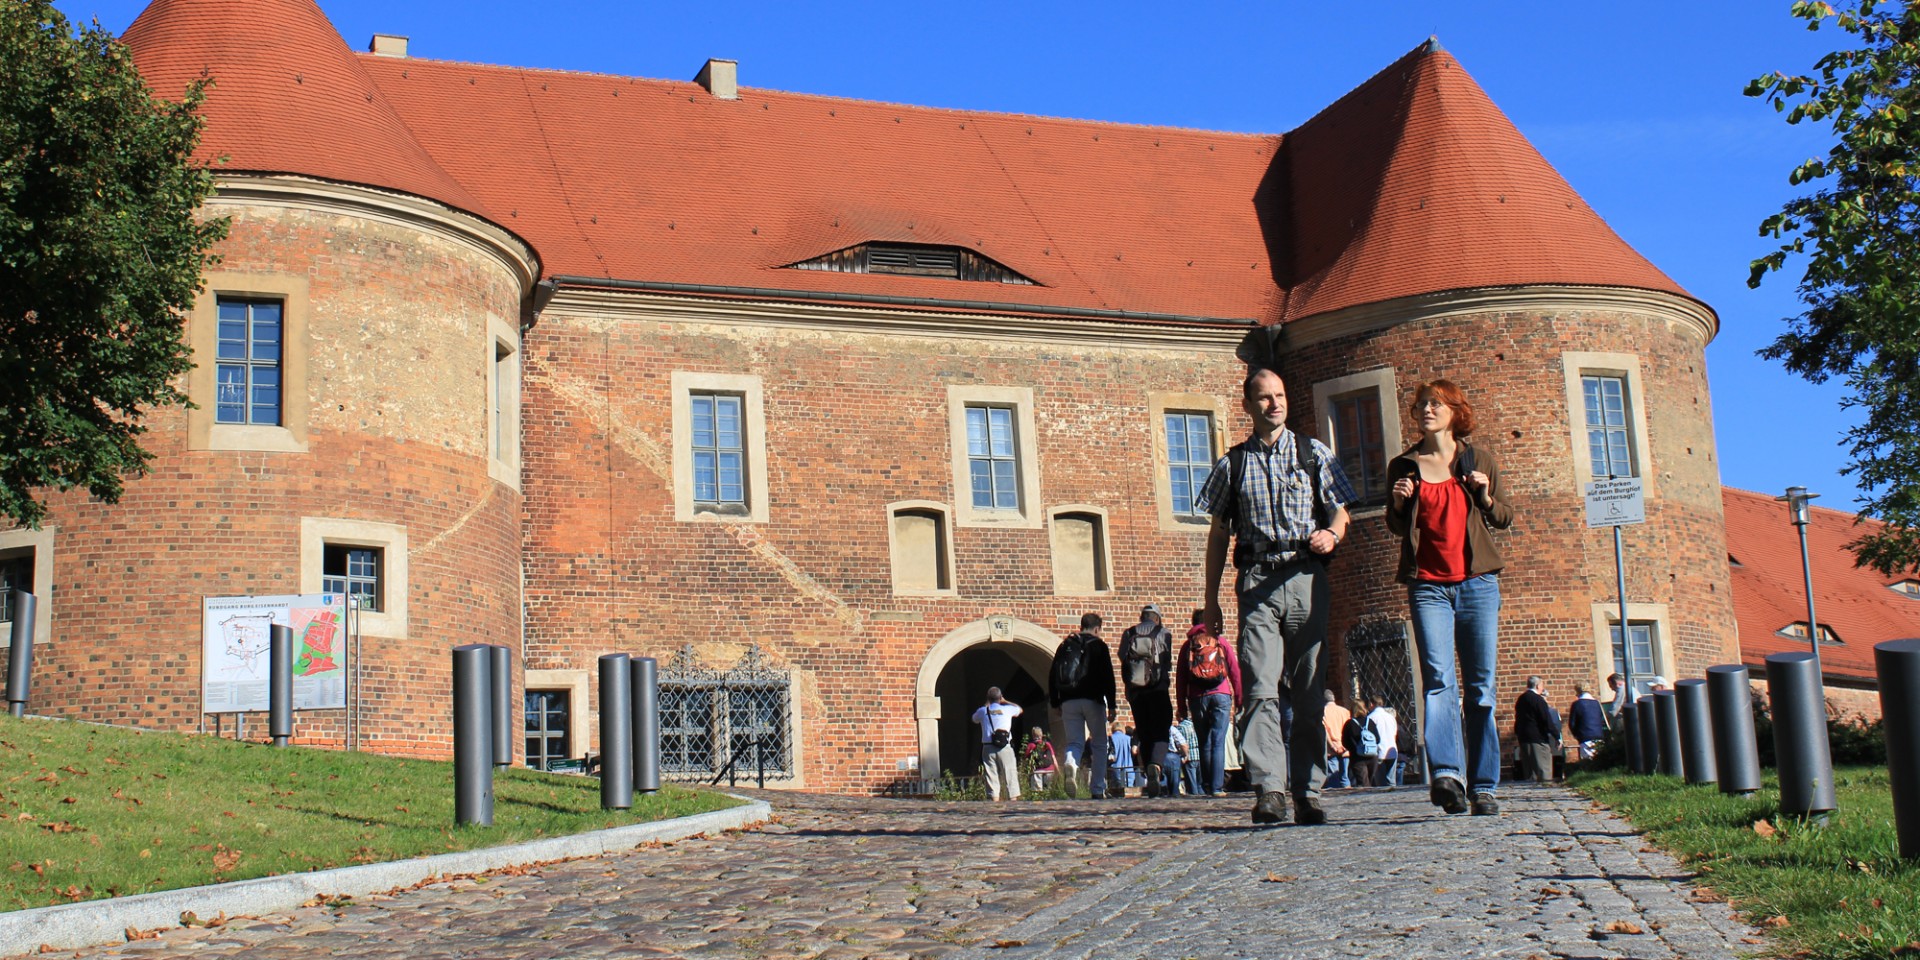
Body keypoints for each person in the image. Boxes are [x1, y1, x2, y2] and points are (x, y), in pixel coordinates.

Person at [1195, 367, 1355, 826]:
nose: (1275, 404)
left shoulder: (1313, 453)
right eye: (1264, 398)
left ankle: (1308, 791)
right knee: (1261, 688)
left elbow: (1341, 508)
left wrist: (1332, 533)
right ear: (1248, 406)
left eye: (1280, 395)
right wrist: (1211, 601)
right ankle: (1269, 788)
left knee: (1308, 692)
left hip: (1306, 576)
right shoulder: (1234, 464)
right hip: (1257, 582)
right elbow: (1218, 536)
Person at [1386, 378, 1516, 818]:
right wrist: (1400, 505)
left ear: (1455, 411)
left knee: (1481, 689)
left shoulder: (1478, 460)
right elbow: (1395, 525)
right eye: (1421, 403)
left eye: (1435, 403)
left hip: (1478, 583)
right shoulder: (1403, 465)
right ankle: (1448, 775)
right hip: (1428, 585)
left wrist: (1484, 493)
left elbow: (1502, 517)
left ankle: (1484, 785)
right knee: (1439, 680)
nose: (1426, 409)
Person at [1049, 612, 1115, 799]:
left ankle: (1071, 763)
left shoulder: (1066, 644)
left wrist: (1055, 701)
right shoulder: (1098, 646)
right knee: (1100, 743)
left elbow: (1053, 674)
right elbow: (1107, 676)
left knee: (1074, 742)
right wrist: (1112, 704)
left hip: (1069, 700)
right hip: (1093, 700)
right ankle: (1097, 788)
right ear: (1096, 628)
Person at [1176, 613, 1242, 797]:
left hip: (1197, 697)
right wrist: (1239, 698)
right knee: (1218, 742)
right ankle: (1217, 787)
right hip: (1221, 694)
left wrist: (1181, 706)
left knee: (1204, 742)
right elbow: (1235, 670)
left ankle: (1206, 785)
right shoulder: (1220, 641)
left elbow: (1181, 678)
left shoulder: (1188, 646)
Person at [1118, 604, 1175, 797]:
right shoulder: (1164, 633)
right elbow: (1166, 661)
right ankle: (1155, 766)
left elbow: (1122, 657)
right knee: (1161, 728)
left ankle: (1150, 771)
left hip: (1136, 691)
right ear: (1157, 618)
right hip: (1158, 689)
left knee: (1143, 730)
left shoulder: (1129, 633)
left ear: (1141, 617)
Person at [972, 687, 1023, 801]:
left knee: (991, 774)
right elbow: (1019, 709)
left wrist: (987, 704)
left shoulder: (983, 711)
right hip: (1005, 746)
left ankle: (995, 799)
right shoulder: (1008, 709)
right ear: (1000, 698)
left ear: (988, 699)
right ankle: (1013, 799)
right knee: (1009, 772)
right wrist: (1005, 701)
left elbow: (974, 719)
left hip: (988, 746)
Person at [1514, 676, 1558, 782]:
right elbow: (1546, 719)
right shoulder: (1538, 700)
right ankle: (1545, 792)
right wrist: (1557, 736)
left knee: (1529, 772)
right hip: (1538, 738)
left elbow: (1518, 718)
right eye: (1542, 685)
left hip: (1524, 737)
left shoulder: (1521, 699)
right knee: (1543, 770)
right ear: (1538, 685)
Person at [1321, 690, 1352, 789]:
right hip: (1345, 748)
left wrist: (1332, 745)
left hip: (1331, 749)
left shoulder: (1322, 712)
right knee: (1345, 777)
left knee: (1333, 777)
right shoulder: (1345, 711)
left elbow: (1324, 731)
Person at [1569, 681, 1607, 761]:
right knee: (1599, 761)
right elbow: (1602, 719)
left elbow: (1572, 724)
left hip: (1585, 736)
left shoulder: (1577, 704)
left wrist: (1577, 735)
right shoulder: (1597, 703)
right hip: (1599, 735)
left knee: (1588, 762)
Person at [1366, 703, 1400, 787]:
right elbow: (1395, 732)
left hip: (1379, 751)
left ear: (1371, 704)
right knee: (1391, 781)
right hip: (1392, 750)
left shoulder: (1371, 717)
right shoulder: (1391, 717)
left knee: (1380, 781)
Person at [1106, 722, 1134, 796]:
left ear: (1112, 729)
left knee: (1116, 794)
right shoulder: (1129, 739)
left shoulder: (1110, 738)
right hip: (1129, 769)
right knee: (1129, 793)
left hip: (1115, 769)